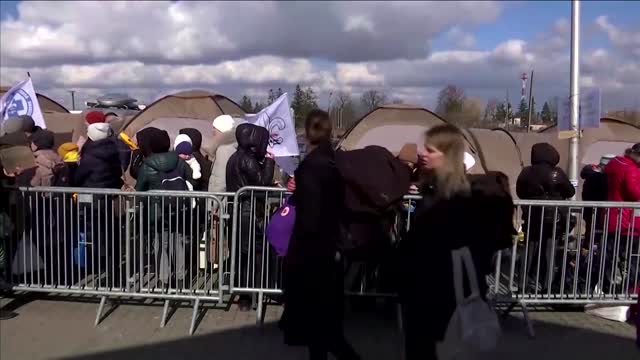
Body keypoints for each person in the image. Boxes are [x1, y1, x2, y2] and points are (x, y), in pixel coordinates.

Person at [398, 124, 514, 360]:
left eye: (431, 150)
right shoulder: (437, 191)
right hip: (431, 297)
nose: (423, 154)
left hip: (439, 300)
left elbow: (434, 248)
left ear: (447, 155)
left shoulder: (455, 199)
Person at [280, 110, 360, 360]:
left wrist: (297, 260)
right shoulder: (330, 162)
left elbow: (312, 220)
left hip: (315, 259)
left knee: (326, 335)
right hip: (324, 255)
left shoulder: (315, 167)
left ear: (307, 132)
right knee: (321, 336)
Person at [226, 122, 275, 310]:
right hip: (248, 212)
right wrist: (270, 161)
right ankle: (250, 295)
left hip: (239, 211)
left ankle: (244, 295)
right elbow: (263, 182)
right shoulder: (246, 159)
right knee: (251, 254)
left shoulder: (235, 157)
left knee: (241, 254)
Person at [516, 142, 575, 290]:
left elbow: (520, 192)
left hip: (532, 215)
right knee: (550, 252)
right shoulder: (557, 172)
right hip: (553, 218)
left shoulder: (526, 172)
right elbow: (570, 192)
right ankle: (547, 287)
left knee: (529, 250)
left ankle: (522, 283)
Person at [74, 122, 123, 189]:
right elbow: (119, 172)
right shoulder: (114, 151)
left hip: (91, 192)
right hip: (110, 191)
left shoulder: (89, 155)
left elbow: (78, 177)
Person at [581, 154, 614, 243]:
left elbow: (585, 195)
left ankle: (588, 252)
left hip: (591, 212)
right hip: (600, 213)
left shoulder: (591, 177)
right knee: (597, 239)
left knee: (591, 237)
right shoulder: (603, 178)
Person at [207, 115, 238, 193]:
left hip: (221, 201)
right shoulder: (232, 146)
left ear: (222, 130)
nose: (212, 131)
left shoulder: (223, 150)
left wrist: (212, 202)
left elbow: (220, 180)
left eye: (215, 128)